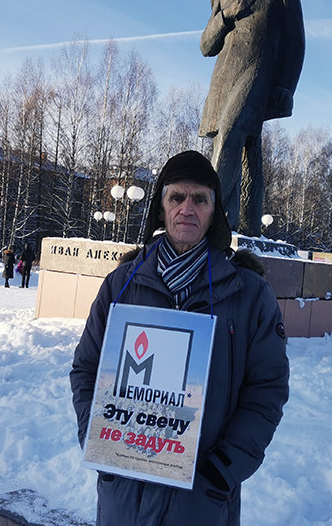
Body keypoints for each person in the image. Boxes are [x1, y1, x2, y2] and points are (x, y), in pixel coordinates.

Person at [70, 150, 289, 526]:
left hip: (201, 501)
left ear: (214, 212)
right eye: (177, 197)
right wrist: (99, 436)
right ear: (161, 208)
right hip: (124, 494)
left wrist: (222, 470)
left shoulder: (249, 294)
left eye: (200, 199)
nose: (187, 208)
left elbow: (266, 390)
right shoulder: (122, 284)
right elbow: (86, 369)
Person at [197, 0, 305, 236]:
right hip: (223, 78)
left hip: (258, 74)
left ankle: (207, 217)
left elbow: (296, 42)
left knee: (230, 133)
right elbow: (206, 46)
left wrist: (286, 87)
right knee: (237, 145)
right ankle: (236, 225)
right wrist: (224, 17)